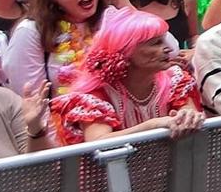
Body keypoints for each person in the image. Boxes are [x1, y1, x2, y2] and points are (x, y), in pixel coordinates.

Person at [46, 8, 205, 146]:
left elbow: (186, 112)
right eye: (156, 43)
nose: (168, 49)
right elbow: (98, 141)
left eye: (163, 41)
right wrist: (153, 125)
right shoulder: (96, 95)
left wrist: (188, 116)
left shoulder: (175, 80)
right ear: (126, 50)